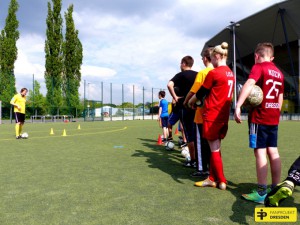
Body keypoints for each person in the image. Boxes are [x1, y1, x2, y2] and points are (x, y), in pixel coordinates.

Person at [234, 42, 284, 203]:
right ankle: (276, 188)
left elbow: (249, 84)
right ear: (272, 57)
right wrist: (276, 112)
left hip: (259, 118)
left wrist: (238, 105)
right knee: (273, 151)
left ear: (256, 56)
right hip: (273, 116)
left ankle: (262, 192)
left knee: (260, 152)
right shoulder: (279, 73)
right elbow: (281, 97)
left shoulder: (259, 67)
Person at [188, 42, 235, 190]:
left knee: (213, 149)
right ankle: (212, 178)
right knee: (216, 147)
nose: (210, 61)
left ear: (216, 56)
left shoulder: (214, 73)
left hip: (212, 115)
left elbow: (201, 93)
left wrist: (190, 101)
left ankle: (221, 180)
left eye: (211, 58)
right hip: (223, 115)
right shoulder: (230, 73)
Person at [184, 47, 214, 177]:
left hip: (201, 113)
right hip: (215, 114)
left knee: (200, 142)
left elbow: (194, 91)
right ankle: (213, 169)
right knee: (213, 143)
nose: (202, 60)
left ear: (206, 58)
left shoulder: (203, 73)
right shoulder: (218, 72)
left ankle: (202, 169)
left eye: (202, 58)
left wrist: (186, 102)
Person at [167, 56, 197, 167]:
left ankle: (193, 160)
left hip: (185, 108)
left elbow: (169, 85)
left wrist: (175, 97)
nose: (180, 65)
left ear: (184, 63)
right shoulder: (198, 74)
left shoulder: (180, 75)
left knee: (189, 135)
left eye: (181, 63)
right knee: (197, 134)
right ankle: (201, 161)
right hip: (197, 107)